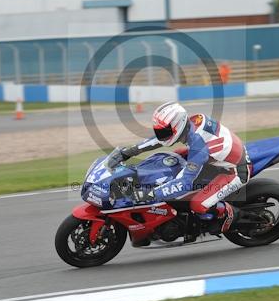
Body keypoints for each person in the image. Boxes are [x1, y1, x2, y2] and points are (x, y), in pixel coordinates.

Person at [108, 101, 251, 238]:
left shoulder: (197, 145)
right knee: (172, 157)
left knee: (198, 205)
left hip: (235, 171)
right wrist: (127, 152)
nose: (161, 135)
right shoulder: (189, 124)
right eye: (159, 131)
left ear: (178, 125)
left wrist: (150, 194)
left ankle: (230, 217)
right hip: (215, 158)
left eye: (164, 131)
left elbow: (184, 183)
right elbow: (158, 141)